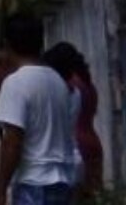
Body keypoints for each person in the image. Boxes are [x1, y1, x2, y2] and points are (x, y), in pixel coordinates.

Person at [0, 14, 76, 205]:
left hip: (34, 183)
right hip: (63, 182)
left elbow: (12, 142)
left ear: (7, 44)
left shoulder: (15, 83)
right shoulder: (57, 81)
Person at [42, 42, 103, 198]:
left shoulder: (69, 85)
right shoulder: (88, 83)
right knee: (93, 198)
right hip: (93, 142)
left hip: (77, 147)